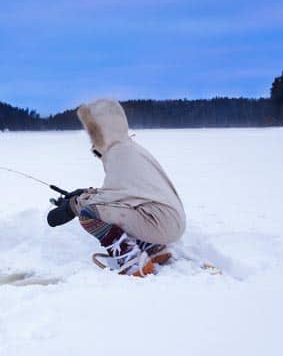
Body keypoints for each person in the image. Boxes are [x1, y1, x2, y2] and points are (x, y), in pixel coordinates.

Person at [47, 99, 186, 276]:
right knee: (114, 208)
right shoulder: (130, 148)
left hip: (159, 222)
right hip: (167, 218)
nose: (91, 137)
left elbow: (110, 198)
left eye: (93, 131)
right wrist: (85, 193)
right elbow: (127, 192)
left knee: (89, 214)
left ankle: (132, 261)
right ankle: (153, 248)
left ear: (103, 130)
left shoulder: (120, 155)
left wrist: (73, 206)